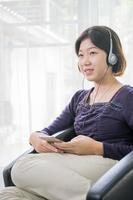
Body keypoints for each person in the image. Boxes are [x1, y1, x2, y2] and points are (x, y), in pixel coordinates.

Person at [0, 25, 133, 200]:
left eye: (92, 53)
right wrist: (35, 137)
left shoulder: (127, 96)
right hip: (73, 167)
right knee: (8, 194)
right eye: (81, 55)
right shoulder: (80, 98)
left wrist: (97, 147)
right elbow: (48, 130)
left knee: (22, 167)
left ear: (111, 56)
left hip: (111, 168)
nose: (85, 61)